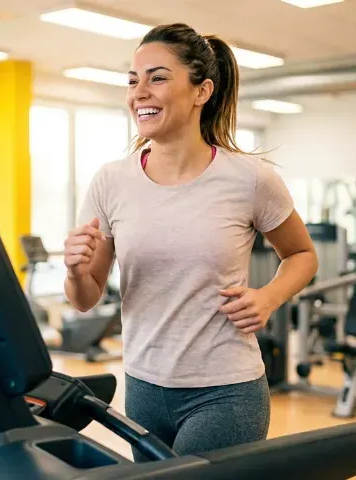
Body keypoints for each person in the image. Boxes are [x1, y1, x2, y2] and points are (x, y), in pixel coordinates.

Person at [63, 23, 317, 461]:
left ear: (201, 91)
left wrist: (269, 297)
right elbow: (85, 299)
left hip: (225, 391)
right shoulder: (111, 181)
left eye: (157, 77)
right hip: (142, 387)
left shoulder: (249, 178)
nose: (139, 91)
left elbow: (302, 254)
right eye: (132, 80)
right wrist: (74, 270)